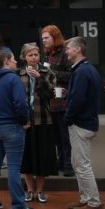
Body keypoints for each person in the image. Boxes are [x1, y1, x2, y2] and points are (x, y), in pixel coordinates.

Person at [0, 49, 34, 209]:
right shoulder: (13, 79)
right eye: (12, 59)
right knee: (13, 167)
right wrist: (24, 121)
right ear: (6, 61)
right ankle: (18, 205)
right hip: (11, 126)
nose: (15, 62)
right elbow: (20, 104)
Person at [63, 36, 104, 209]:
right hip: (87, 121)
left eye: (69, 48)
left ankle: (94, 203)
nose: (66, 51)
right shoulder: (87, 70)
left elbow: (78, 99)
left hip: (81, 123)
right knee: (78, 162)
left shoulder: (81, 72)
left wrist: (68, 116)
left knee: (82, 164)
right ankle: (85, 198)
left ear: (78, 50)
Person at [18, 43, 58, 204]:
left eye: (36, 55)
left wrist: (39, 78)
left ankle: (40, 190)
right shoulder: (18, 73)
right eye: (30, 55)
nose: (34, 58)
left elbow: (51, 94)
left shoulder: (46, 72)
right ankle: (29, 189)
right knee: (27, 156)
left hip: (43, 119)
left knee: (43, 155)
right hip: (26, 120)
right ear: (24, 57)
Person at [40, 25, 73, 176]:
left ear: (55, 37)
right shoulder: (48, 54)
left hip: (64, 100)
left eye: (46, 38)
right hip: (52, 101)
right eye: (43, 38)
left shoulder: (66, 52)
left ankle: (68, 165)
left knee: (65, 135)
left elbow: (72, 75)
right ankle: (60, 162)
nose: (44, 41)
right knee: (57, 136)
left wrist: (52, 73)